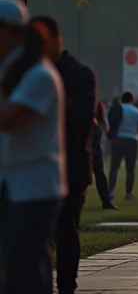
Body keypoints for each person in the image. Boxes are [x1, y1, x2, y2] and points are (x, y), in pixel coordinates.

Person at [0, 0, 65, 294]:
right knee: (16, 270)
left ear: (8, 31)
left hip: (35, 186)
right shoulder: (14, 72)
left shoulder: (39, 75)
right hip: (15, 184)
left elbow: (7, 120)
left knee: (26, 271)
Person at [32, 16, 97, 294]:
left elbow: (81, 121)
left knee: (66, 229)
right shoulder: (31, 72)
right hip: (36, 164)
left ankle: (66, 284)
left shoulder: (78, 74)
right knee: (37, 233)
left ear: (56, 40)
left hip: (71, 164)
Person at [108, 90, 138, 201]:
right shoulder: (137, 112)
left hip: (118, 139)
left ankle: (110, 191)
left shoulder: (117, 109)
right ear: (132, 99)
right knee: (130, 168)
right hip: (132, 140)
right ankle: (128, 193)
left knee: (114, 167)